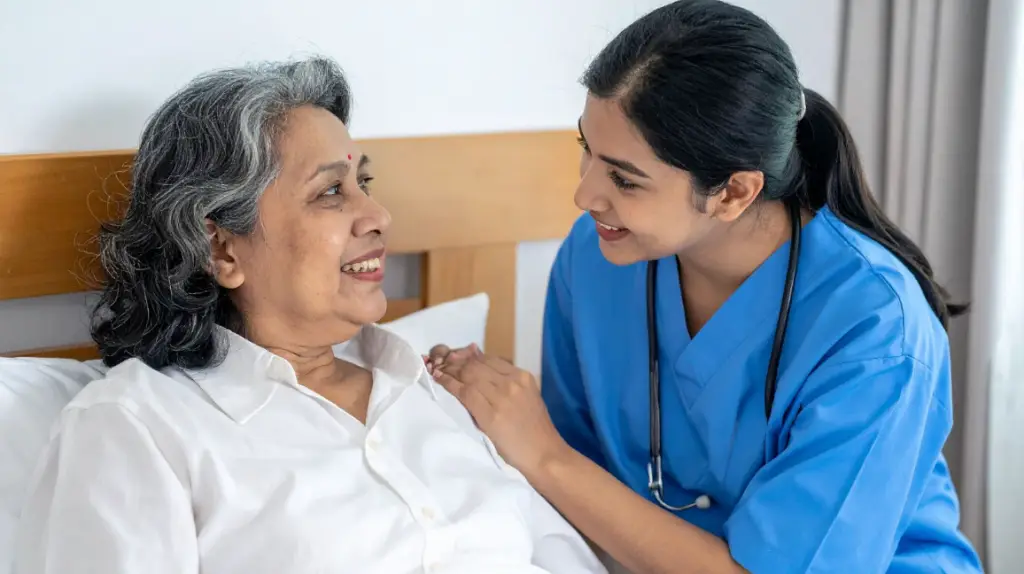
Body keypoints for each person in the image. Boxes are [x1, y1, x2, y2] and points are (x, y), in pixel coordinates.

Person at [427, 1, 984, 572]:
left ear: (734, 193)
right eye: (585, 150)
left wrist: (541, 455)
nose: (585, 195)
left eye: (624, 178)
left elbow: (560, 464)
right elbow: (574, 498)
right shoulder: (593, 260)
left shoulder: (877, 331)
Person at [14, 57, 606, 574]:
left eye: (364, 181)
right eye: (330, 192)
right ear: (222, 250)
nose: (378, 214)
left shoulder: (438, 389)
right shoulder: (138, 427)